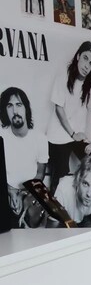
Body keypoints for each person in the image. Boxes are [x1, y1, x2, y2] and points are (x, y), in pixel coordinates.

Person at [45, 42, 91, 192]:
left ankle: (88, 198)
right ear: (78, 57)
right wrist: (72, 133)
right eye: (85, 58)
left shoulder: (90, 83)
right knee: (60, 180)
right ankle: (57, 203)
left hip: (77, 136)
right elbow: (58, 108)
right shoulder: (64, 75)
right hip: (58, 136)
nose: (87, 66)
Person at [1, 87, 48, 225]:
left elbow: (40, 173)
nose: (15, 111)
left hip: (30, 191)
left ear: (26, 108)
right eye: (10, 106)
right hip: (6, 190)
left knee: (34, 218)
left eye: (19, 105)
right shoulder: (1, 136)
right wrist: (10, 191)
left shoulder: (40, 138)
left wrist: (24, 195)